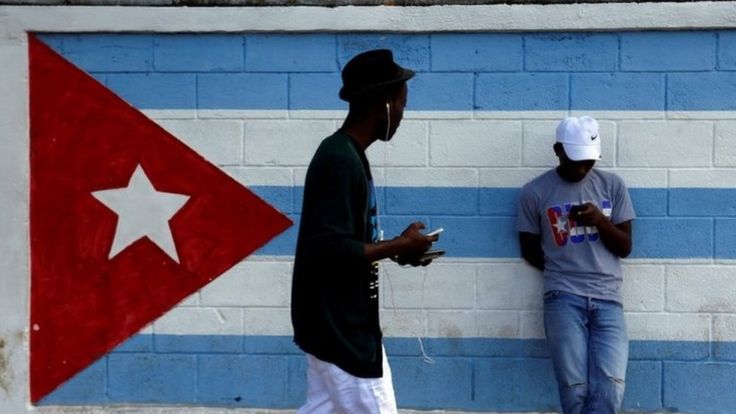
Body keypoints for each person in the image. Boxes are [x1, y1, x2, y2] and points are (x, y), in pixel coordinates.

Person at [291, 49, 439, 414]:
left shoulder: (349, 155)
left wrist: (400, 248)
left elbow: (344, 243)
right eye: (402, 103)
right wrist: (398, 245)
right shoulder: (339, 160)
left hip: (340, 329)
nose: (404, 114)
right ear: (385, 103)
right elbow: (328, 250)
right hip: (343, 333)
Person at [516, 116, 635, 414]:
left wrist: (599, 221)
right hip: (563, 297)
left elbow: (625, 246)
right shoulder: (535, 192)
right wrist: (565, 269)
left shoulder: (613, 186)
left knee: (610, 386)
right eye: (575, 160)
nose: (583, 168)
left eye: (588, 161)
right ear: (558, 150)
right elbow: (530, 250)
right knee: (574, 389)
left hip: (608, 299)